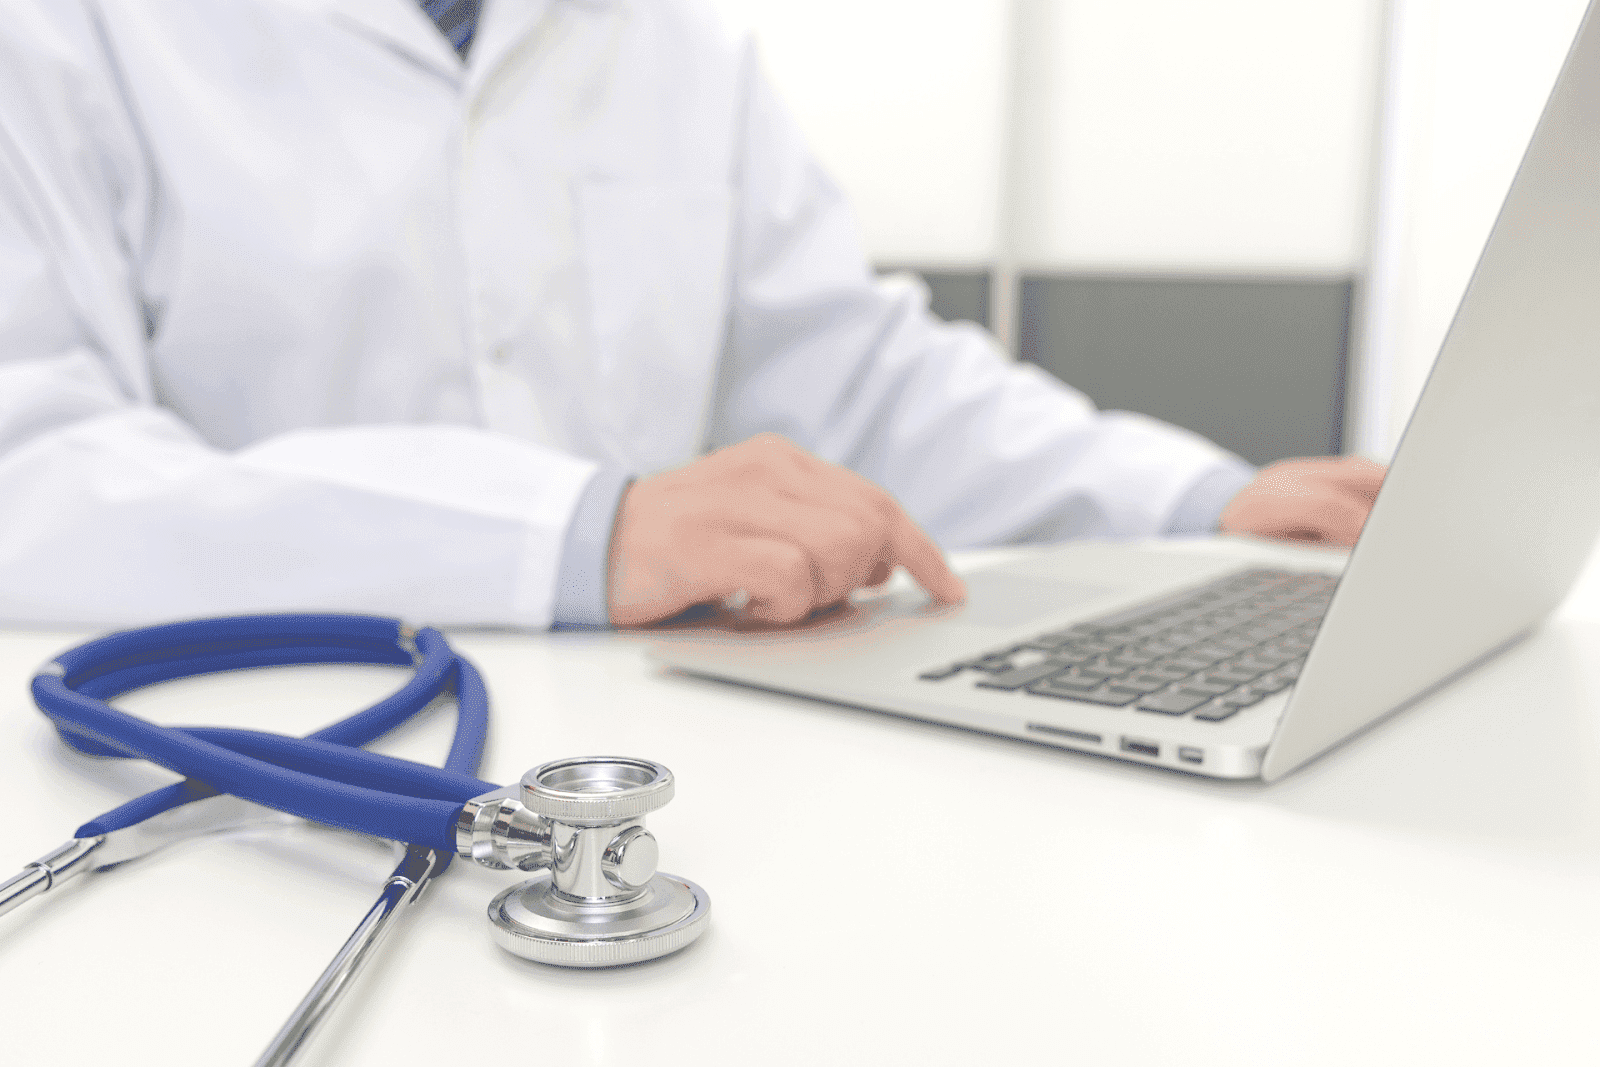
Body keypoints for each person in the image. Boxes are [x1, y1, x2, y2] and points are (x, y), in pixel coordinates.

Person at [0, 0, 1383, 631]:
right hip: (244, 776)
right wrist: (571, 533)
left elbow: (857, 375)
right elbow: (35, 473)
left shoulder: (671, 41)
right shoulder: (65, 34)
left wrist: (1198, 498)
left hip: (653, 775)